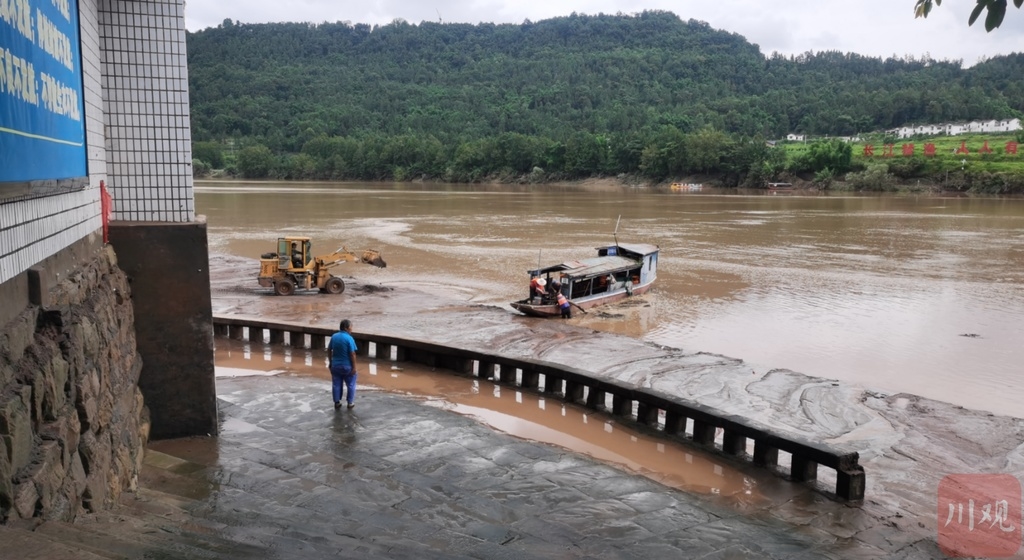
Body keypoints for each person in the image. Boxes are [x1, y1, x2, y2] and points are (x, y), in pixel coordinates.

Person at [327, 319, 358, 409]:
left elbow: (329, 350)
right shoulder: (349, 338)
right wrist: (354, 367)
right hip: (347, 366)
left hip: (335, 365)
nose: (351, 329)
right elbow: (352, 354)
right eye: (350, 327)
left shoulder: (334, 336)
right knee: (351, 384)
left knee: (336, 384)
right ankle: (350, 402)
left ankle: (337, 402)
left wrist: (330, 362)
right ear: (346, 328)